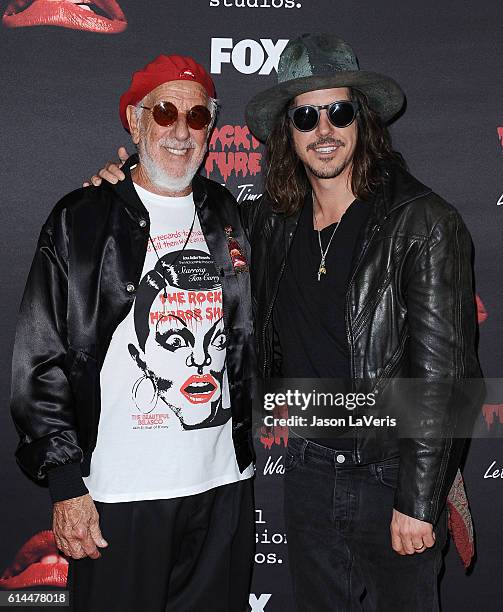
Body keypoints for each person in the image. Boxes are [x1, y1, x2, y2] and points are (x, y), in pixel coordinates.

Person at [90, 35, 483, 611]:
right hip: (308, 468)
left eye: (339, 111)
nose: (324, 129)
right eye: (305, 116)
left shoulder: (423, 221)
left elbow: (446, 375)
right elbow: (184, 203)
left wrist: (419, 500)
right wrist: (125, 188)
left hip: (393, 474)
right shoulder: (269, 224)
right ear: (287, 134)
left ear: (363, 120)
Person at [11, 54, 256, 612]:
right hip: (120, 495)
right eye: (165, 111)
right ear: (135, 120)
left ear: (211, 130)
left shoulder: (228, 214)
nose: (180, 130)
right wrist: (66, 485)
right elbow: (41, 359)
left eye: (197, 117)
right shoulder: (82, 217)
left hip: (222, 486)